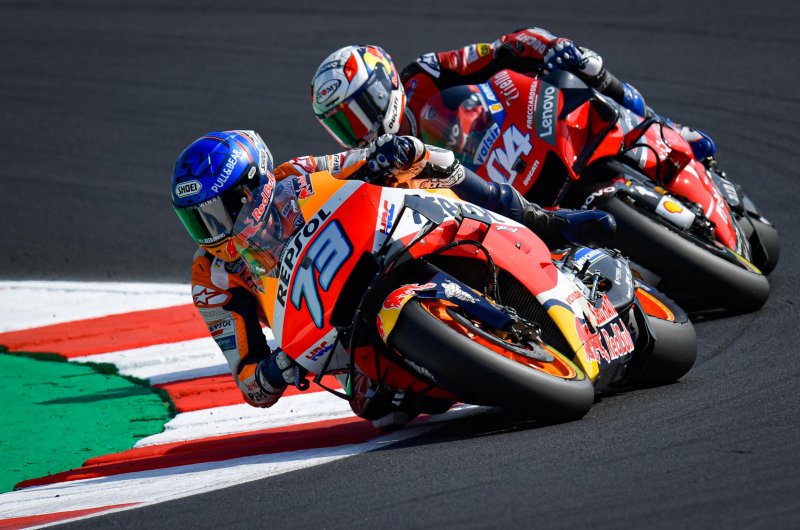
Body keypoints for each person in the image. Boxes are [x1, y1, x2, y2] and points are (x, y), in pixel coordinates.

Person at [171, 129, 611, 428]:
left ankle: (545, 221)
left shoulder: (297, 174)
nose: (212, 233)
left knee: (424, 163)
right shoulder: (211, 278)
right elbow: (249, 383)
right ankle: (489, 368)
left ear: (253, 186)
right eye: (197, 222)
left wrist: (387, 153)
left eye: (218, 213)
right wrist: (273, 372)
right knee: (378, 410)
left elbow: (357, 162)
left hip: (382, 242)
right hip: (334, 328)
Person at [310, 28, 716, 162]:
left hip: (519, 131)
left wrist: (549, 46)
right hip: (498, 200)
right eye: (342, 125)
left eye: (359, 111)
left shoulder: (424, 74)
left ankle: (662, 126)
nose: (359, 130)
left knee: (579, 66)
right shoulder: (378, 165)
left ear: (383, 85)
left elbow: (497, 50)